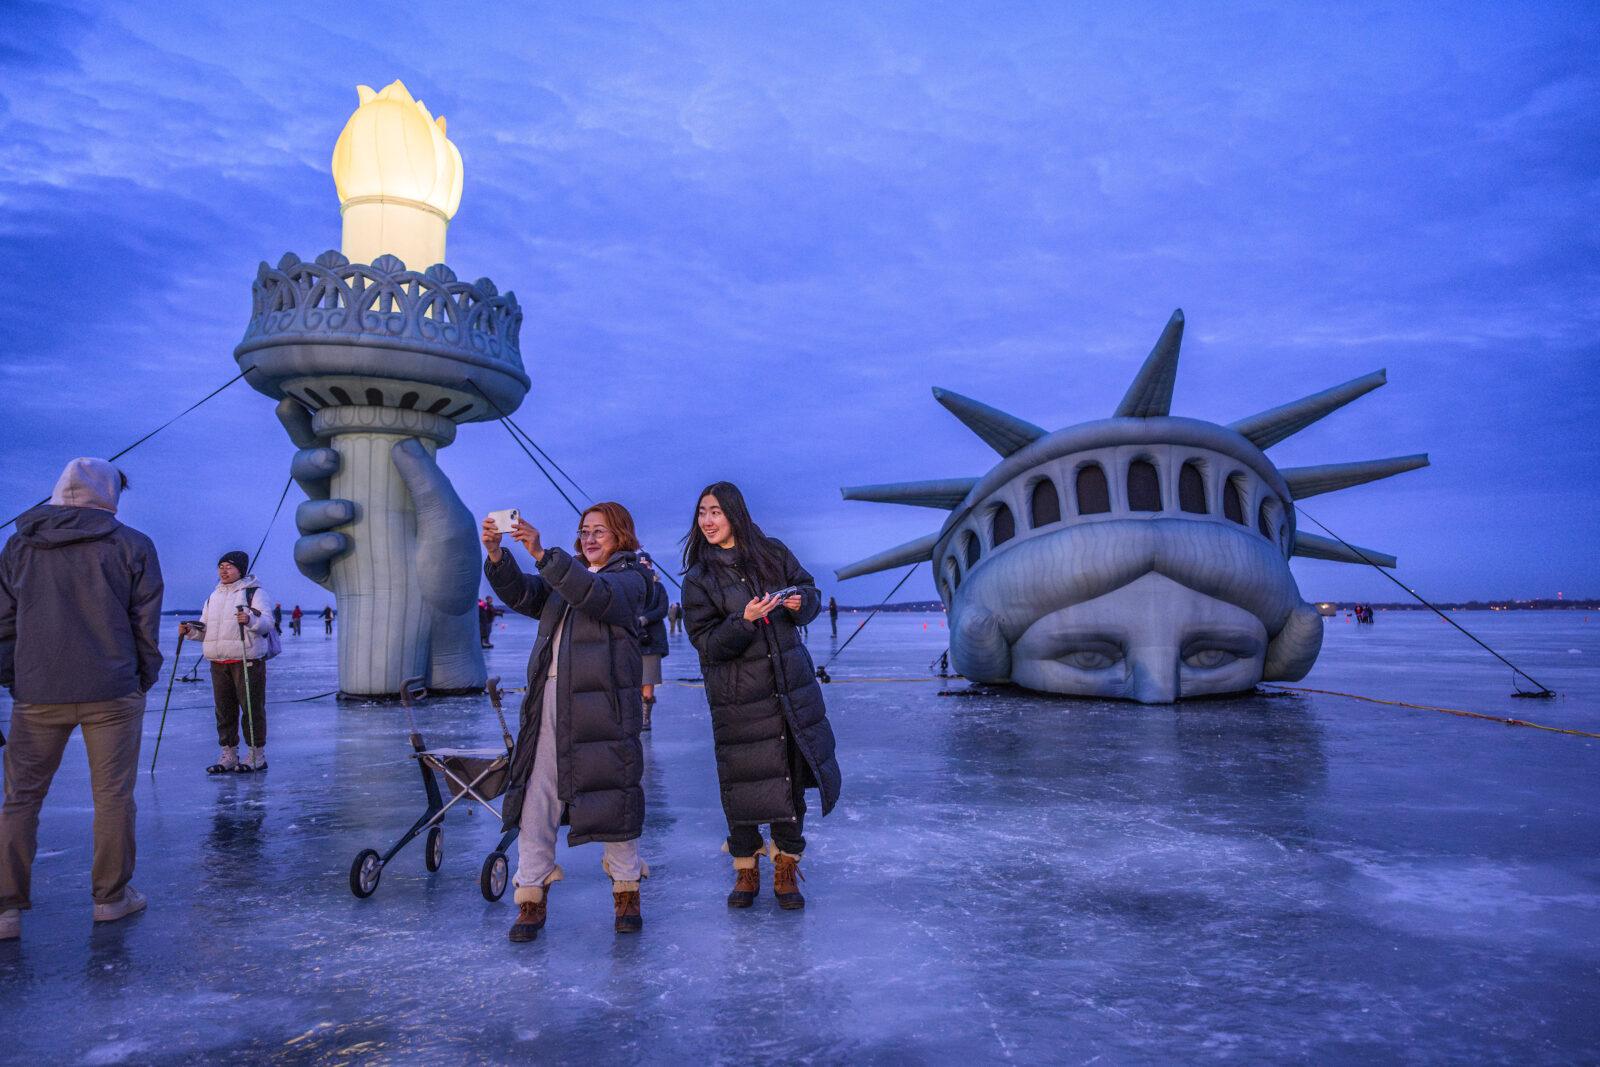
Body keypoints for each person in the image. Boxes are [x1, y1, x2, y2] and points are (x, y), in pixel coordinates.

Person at [0, 458, 164, 940]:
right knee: (113, 797)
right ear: (109, 493)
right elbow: (145, 625)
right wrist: (140, 679)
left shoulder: (18, 545)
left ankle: (5, 910)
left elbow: (3, 625)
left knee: (20, 800)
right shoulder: (132, 544)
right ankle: (111, 899)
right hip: (112, 689)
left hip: (37, 692)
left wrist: (17, 679)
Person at [483, 502, 650, 942]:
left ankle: (626, 888)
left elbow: (598, 597)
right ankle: (531, 895)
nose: (590, 538)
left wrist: (543, 554)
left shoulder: (632, 577)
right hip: (550, 704)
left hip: (604, 710)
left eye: (600, 531)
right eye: (584, 531)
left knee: (613, 799)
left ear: (621, 536)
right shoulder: (567, 578)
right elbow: (524, 594)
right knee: (537, 800)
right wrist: (499, 557)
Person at [681, 481, 840, 911]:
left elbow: (810, 593)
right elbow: (707, 643)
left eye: (715, 511)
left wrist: (798, 603)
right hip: (738, 698)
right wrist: (744, 619)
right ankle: (745, 869)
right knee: (743, 784)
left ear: (735, 512)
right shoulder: (699, 578)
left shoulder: (773, 553)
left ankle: (786, 866)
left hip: (789, 688)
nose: (708, 521)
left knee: (789, 782)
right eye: (702, 513)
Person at [180, 551, 275, 774]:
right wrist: (191, 631)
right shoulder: (214, 596)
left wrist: (251, 619)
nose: (223, 570)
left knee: (251, 709)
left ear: (240, 569)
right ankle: (229, 755)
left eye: (229, 566)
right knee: (224, 711)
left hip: (246, 659)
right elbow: (206, 630)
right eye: (221, 566)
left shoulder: (254, 593)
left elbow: (268, 623)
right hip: (218, 661)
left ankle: (256, 756)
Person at [635, 552, 670, 729]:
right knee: (630, 680)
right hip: (632, 640)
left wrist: (644, 619)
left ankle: (645, 717)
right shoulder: (630, 586)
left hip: (653, 641)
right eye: (639, 564)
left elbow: (663, 609)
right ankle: (633, 716)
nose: (643, 568)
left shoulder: (659, 588)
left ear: (650, 566)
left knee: (647, 680)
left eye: (645, 564)